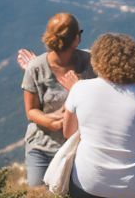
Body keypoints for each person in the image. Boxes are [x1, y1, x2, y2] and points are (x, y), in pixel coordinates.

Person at [62, 33, 135, 198]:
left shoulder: (79, 89)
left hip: (88, 183)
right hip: (134, 187)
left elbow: (68, 132)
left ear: (97, 59)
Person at [18, 13, 94, 187]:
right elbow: (31, 112)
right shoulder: (36, 67)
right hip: (45, 149)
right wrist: (55, 124)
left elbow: (31, 111)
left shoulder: (90, 61)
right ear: (77, 38)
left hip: (76, 149)